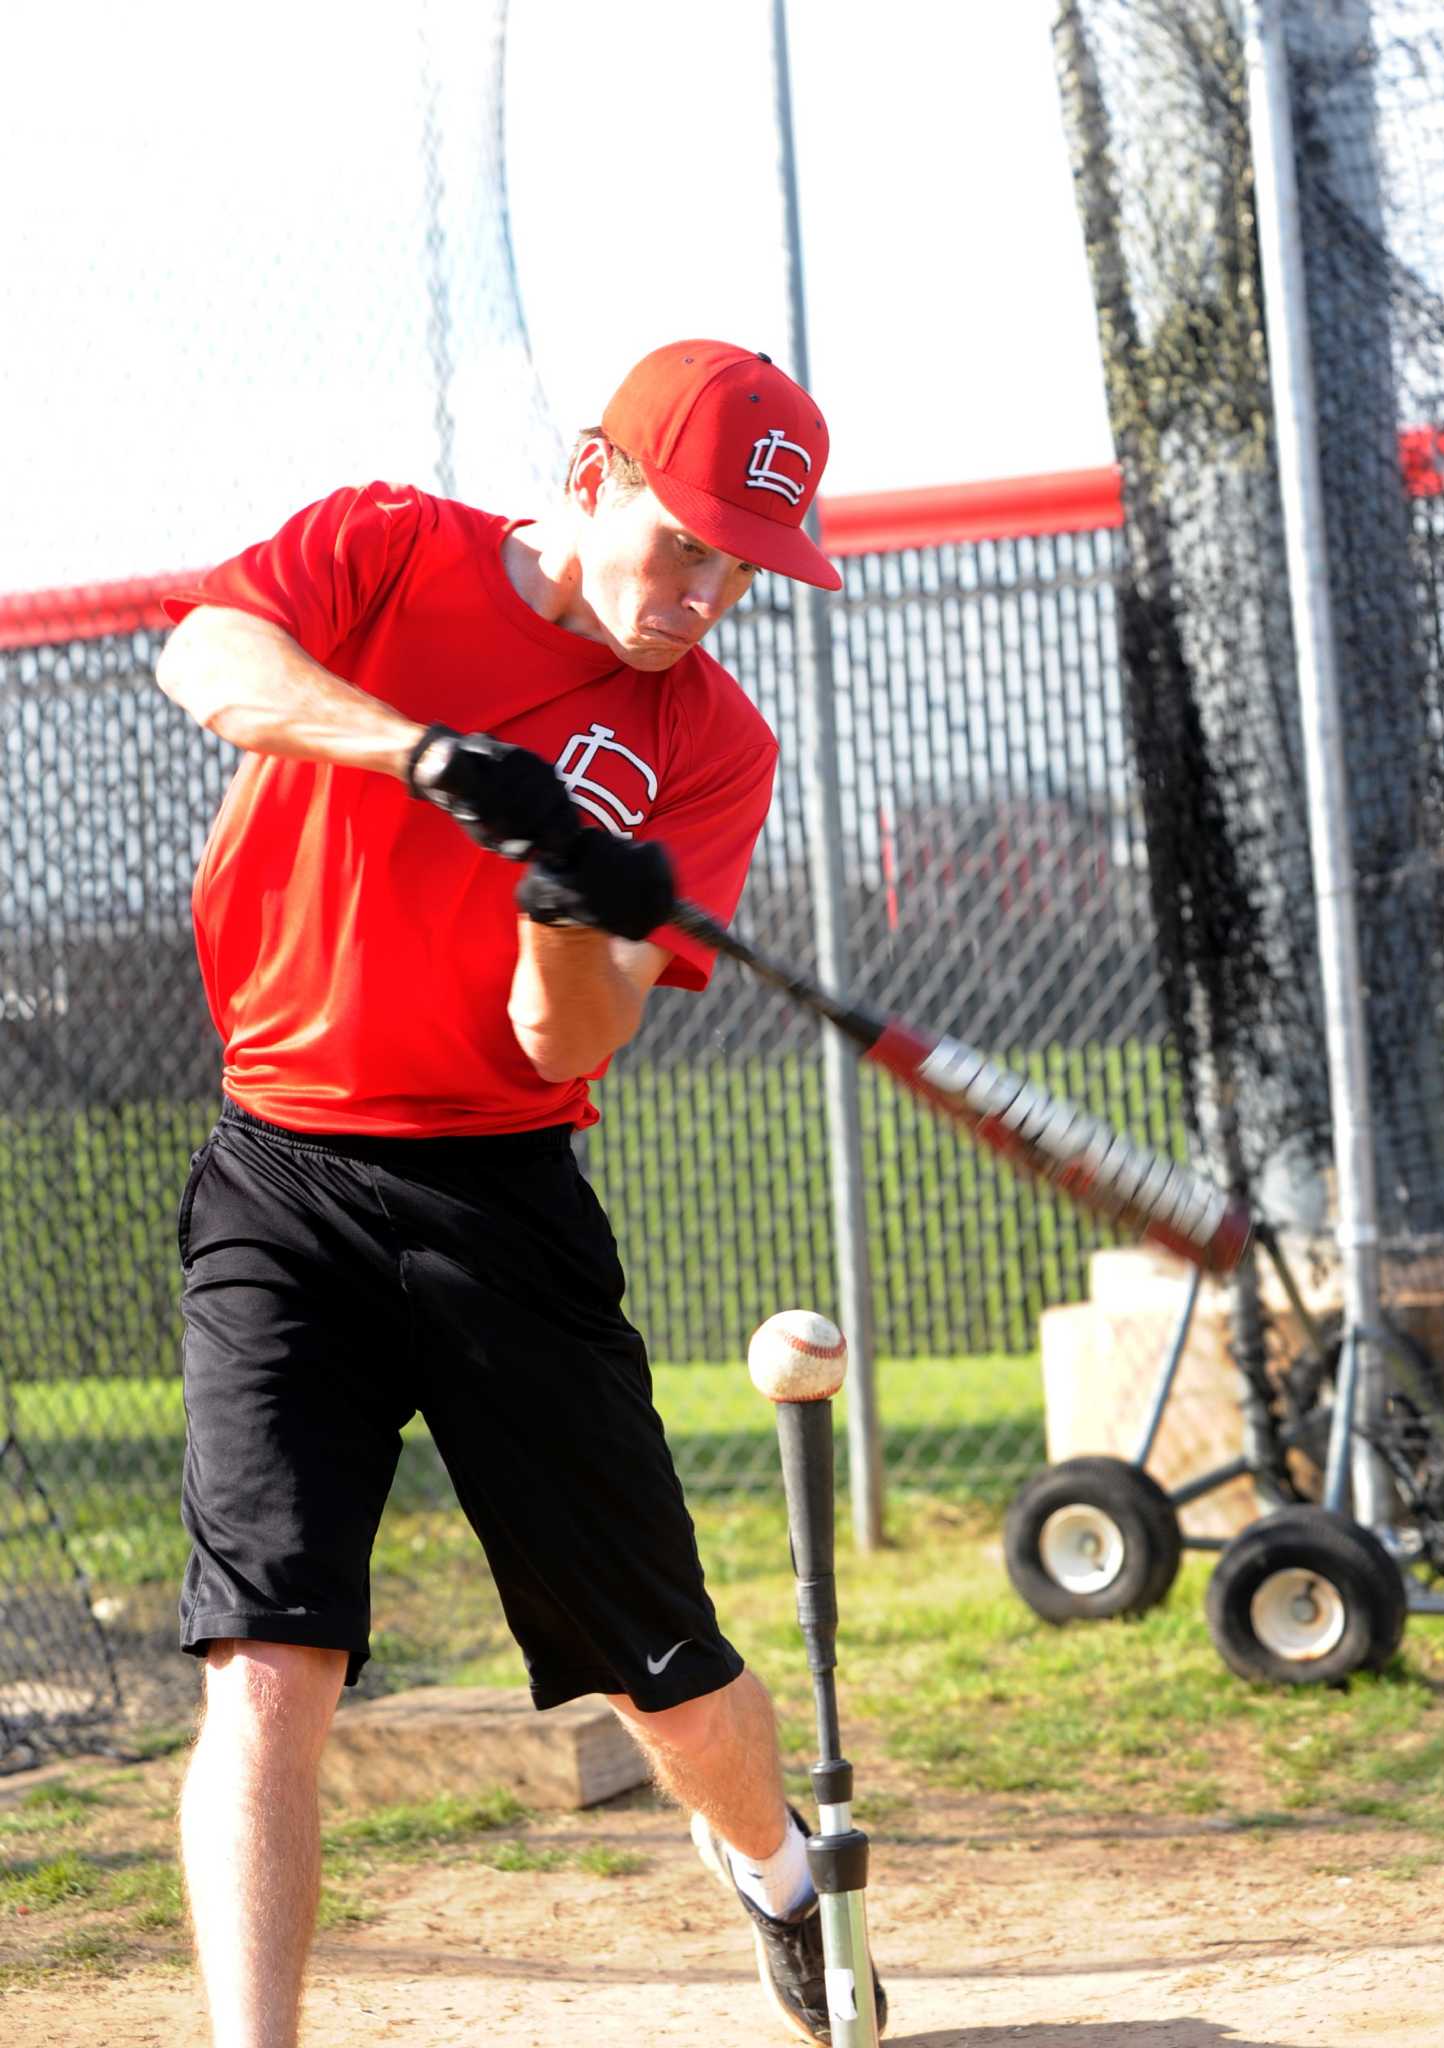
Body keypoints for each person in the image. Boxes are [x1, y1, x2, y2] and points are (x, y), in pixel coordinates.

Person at [155, 338, 887, 2048]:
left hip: (503, 1203)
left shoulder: (708, 747)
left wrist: (565, 904)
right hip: (282, 1168)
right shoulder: (386, 549)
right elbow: (210, 660)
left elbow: (563, 1034)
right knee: (269, 1662)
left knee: (665, 1678)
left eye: (744, 567)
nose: (705, 595)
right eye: (685, 541)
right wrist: (428, 754)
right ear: (588, 478)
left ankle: (780, 1869)